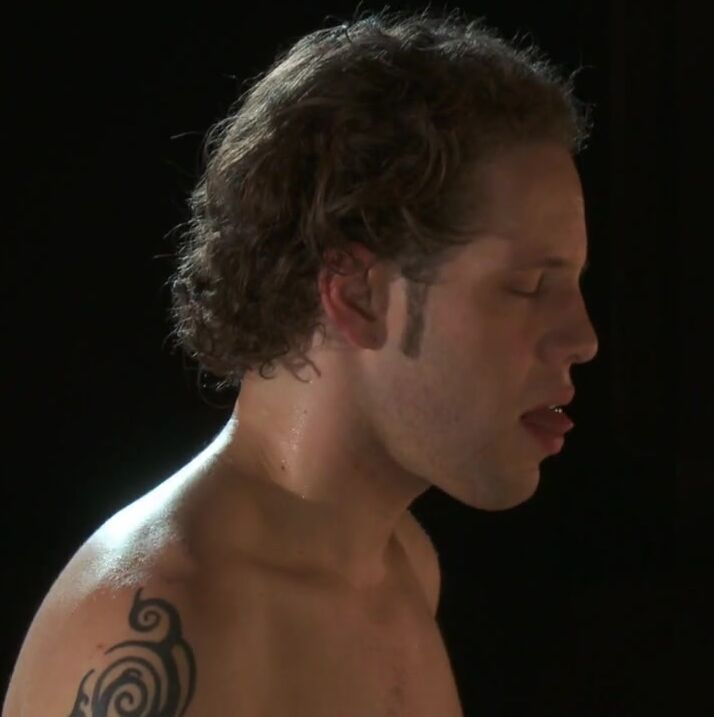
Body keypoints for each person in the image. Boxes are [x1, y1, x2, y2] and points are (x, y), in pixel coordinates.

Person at [2, 8, 598, 716]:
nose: (583, 338)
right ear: (357, 293)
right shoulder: (173, 619)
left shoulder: (402, 568)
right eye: (528, 287)